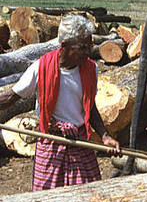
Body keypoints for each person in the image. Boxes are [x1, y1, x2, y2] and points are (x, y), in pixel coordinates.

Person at [0, 15, 120, 190]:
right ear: (64, 45)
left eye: (90, 46)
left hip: (80, 142)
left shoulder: (90, 69)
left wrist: (105, 136)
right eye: (83, 47)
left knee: (87, 198)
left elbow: (90, 107)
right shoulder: (40, 68)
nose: (88, 52)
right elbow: (11, 96)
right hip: (50, 142)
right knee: (46, 200)